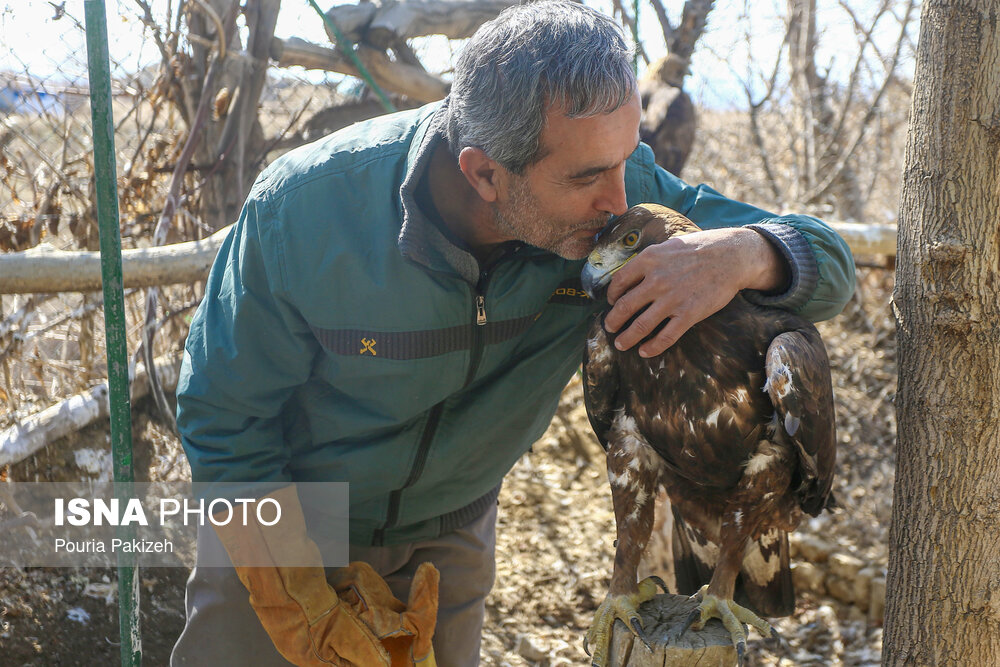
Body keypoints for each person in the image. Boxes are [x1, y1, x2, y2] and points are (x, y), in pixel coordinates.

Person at [170, 1, 855, 665]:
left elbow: (829, 260)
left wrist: (740, 256)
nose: (620, 200)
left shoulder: (618, 193)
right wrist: (296, 595)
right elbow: (225, 417)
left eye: (626, 159)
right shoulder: (304, 211)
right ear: (484, 173)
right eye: (588, 176)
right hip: (285, 521)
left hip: (449, 541)